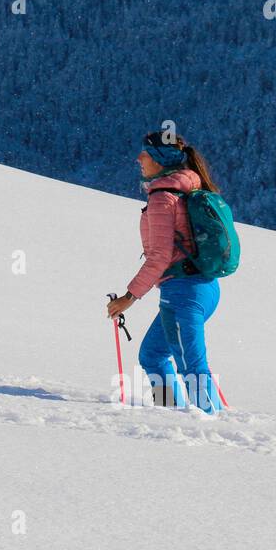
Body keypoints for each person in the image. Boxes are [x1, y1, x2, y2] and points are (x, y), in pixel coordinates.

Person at [107, 130, 223, 413]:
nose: (139, 158)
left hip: (183, 292)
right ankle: (173, 414)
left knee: (192, 367)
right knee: (154, 354)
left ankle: (212, 426)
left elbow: (158, 258)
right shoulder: (190, 186)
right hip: (204, 288)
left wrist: (127, 298)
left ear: (160, 159)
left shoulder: (163, 197)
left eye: (145, 153)